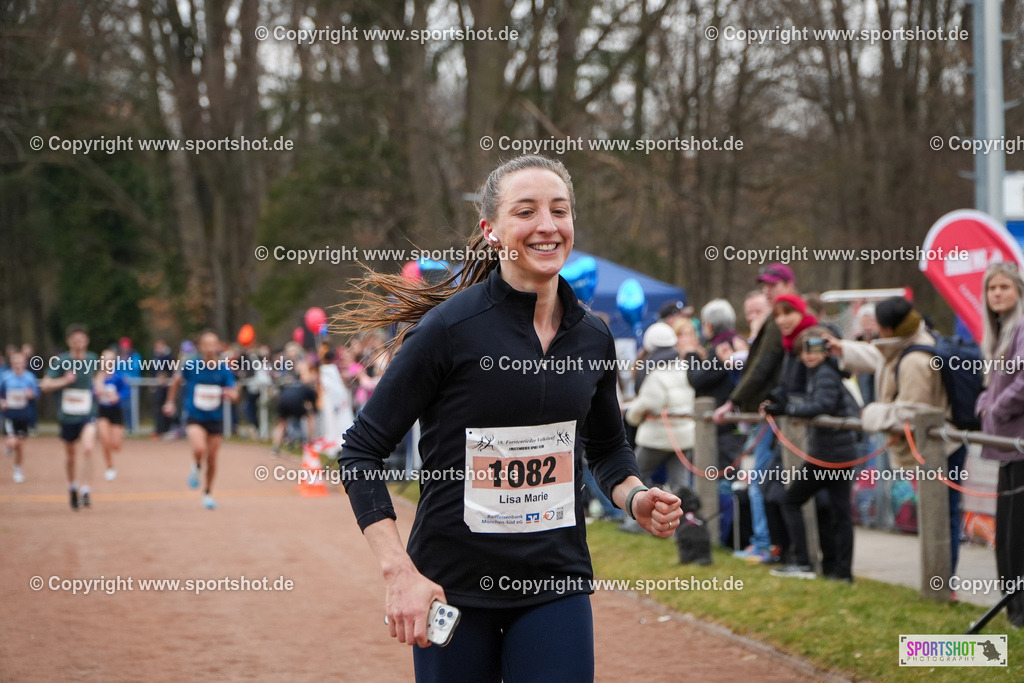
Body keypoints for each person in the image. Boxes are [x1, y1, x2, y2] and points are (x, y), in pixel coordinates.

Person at [337, 155, 681, 682]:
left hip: (554, 582)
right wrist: (398, 571)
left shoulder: (592, 336)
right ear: (492, 231)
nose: (547, 225)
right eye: (526, 211)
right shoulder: (449, 329)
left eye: (559, 211)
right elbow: (361, 451)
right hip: (451, 587)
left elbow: (608, 449)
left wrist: (635, 497)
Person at [829, 297, 967, 574]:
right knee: (935, 514)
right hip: (934, 447)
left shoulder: (916, 360)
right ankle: (938, 579)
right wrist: (841, 348)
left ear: (888, 328)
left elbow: (913, 411)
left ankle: (941, 582)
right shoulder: (910, 341)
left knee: (940, 516)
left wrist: (869, 414)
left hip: (941, 450)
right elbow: (881, 357)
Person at [713, 264, 797, 562]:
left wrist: (733, 401)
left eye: (773, 285)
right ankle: (771, 544)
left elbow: (763, 367)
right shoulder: (775, 319)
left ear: (788, 284)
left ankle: (766, 544)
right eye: (765, 287)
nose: (768, 291)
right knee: (768, 479)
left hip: (775, 412)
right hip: (772, 410)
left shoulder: (779, 320)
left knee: (766, 478)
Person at [765, 326, 856, 581]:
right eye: (804, 351)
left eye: (815, 349)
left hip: (830, 455)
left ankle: (804, 562)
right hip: (833, 453)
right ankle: (841, 571)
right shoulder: (818, 374)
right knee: (840, 513)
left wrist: (788, 409)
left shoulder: (825, 374)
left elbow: (822, 406)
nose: (809, 355)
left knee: (792, 500)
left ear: (827, 351)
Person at [975, 262, 1024, 627]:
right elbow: (992, 385)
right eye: (992, 288)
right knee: (1006, 533)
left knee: (1017, 533)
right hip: (1005, 445)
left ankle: (1020, 611)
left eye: (1004, 287)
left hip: (1019, 443)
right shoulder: (999, 330)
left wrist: (996, 408)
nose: (997, 294)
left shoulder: (1022, 327)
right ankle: (1012, 609)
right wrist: (983, 404)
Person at [163, 331, 238, 510]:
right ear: (201, 347)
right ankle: (196, 467)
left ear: (218, 346)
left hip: (215, 417)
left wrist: (231, 395)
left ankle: (208, 492)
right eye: (207, 344)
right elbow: (176, 381)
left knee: (212, 459)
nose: (211, 348)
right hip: (195, 415)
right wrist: (170, 402)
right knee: (199, 448)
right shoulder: (191, 365)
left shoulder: (223, 369)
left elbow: (234, 391)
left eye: (214, 344)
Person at [625, 322, 695, 495]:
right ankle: (686, 519)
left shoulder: (655, 373)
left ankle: (632, 521)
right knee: (681, 486)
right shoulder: (684, 367)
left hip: (656, 437)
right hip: (684, 437)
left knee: (634, 478)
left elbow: (649, 402)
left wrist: (631, 416)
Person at [40, 324, 99, 510]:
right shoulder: (62, 361)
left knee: (89, 448)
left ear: (87, 341)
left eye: (82, 339)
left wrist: (102, 388)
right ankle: (72, 486)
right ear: (69, 342)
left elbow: (99, 378)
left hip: (87, 413)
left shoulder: (92, 359)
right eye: (75, 340)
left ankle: (86, 490)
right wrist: (64, 381)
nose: (79, 343)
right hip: (67, 416)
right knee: (71, 456)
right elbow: (45, 385)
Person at [1, 351, 39, 483]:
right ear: (11, 363)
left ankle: (18, 470)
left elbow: (35, 394)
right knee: (12, 442)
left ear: (24, 363)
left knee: (20, 446)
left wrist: (31, 395)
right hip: (9, 415)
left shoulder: (29, 377)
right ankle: (9, 445)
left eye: (20, 362)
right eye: (15, 362)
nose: (18, 364)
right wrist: (2, 401)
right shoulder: (5, 377)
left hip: (23, 415)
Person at [94, 348, 128, 481]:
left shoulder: (118, 377)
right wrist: (97, 391)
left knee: (116, 446)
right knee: (104, 440)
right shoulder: (97, 376)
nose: (107, 363)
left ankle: (119, 436)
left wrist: (118, 396)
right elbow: (92, 392)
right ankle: (110, 467)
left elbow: (126, 391)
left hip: (116, 411)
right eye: (105, 360)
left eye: (110, 360)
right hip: (102, 411)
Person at [271, 366, 319, 455]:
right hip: (294, 402)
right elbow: (313, 405)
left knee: (281, 424)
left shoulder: (290, 385)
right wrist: (312, 410)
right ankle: (310, 443)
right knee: (311, 417)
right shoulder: (307, 388)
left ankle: (275, 448)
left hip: (282, 401)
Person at [117, 337, 142, 433]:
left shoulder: (135, 356)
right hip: (121, 386)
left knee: (131, 407)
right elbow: (115, 369)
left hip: (132, 386)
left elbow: (136, 368)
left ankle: (132, 427)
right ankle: (126, 426)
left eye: (126, 347)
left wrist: (125, 363)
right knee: (122, 407)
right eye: (123, 347)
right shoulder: (118, 357)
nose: (124, 349)